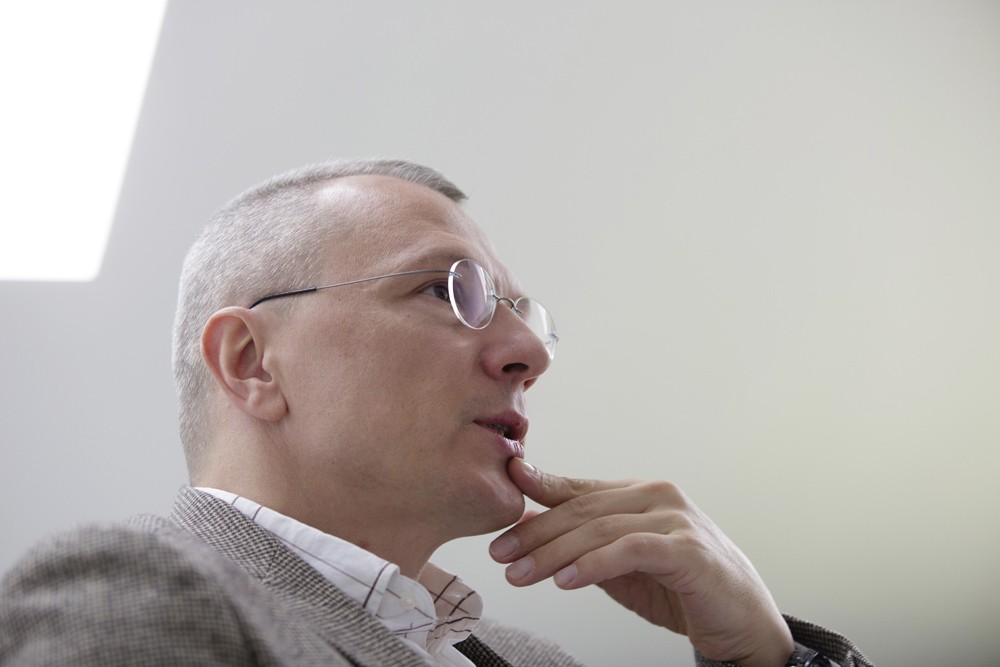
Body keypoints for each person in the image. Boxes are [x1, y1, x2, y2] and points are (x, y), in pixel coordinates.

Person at [0, 160, 873, 667]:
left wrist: (765, 655)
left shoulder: (535, 660)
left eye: (520, 313)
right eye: (446, 290)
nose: (528, 353)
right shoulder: (131, 589)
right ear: (252, 363)